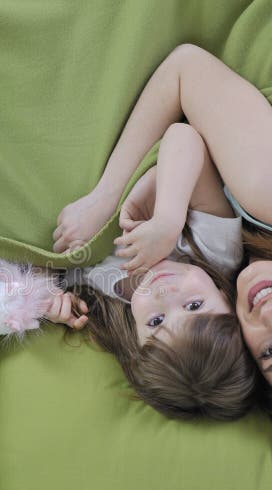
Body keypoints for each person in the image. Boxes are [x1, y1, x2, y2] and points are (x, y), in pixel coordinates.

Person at [53, 43, 272, 456]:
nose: (271, 314)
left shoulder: (239, 267)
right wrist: (105, 198)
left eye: (271, 350)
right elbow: (185, 68)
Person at [60, 121, 255, 420]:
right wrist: (167, 220)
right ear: (228, 301)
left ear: (136, 339)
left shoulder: (105, 295)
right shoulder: (215, 253)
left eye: (156, 321)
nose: (165, 294)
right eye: (194, 305)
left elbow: (43, 265)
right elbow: (182, 136)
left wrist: (47, 296)